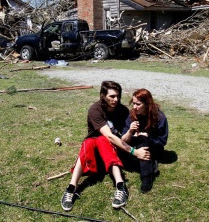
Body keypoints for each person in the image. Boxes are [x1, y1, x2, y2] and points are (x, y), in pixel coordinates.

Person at [61, 81, 151, 211]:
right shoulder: (95, 110)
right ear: (103, 96)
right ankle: (71, 188)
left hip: (113, 149)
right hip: (94, 152)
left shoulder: (122, 110)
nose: (116, 99)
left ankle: (120, 186)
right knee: (92, 141)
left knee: (103, 141)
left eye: (118, 96)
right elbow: (109, 136)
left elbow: (125, 132)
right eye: (112, 96)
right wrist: (134, 152)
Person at [121, 88, 169, 193]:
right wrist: (130, 131)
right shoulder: (132, 115)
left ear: (147, 104)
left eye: (138, 104)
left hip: (154, 148)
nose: (134, 107)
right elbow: (123, 140)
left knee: (143, 140)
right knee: (121, 148)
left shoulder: (159, 117)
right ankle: (151, 165)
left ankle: (147, 177)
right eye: (133, 103)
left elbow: (162, 141)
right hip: (136, 147)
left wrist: (148, 137)